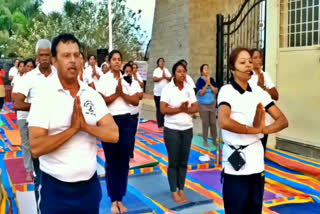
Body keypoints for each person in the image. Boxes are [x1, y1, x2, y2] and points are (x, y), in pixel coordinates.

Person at [28, 33, 119, 214]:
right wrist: (72, 130)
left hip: (89, 189)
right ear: (54, 61)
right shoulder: (44, 96)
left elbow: (113, 133)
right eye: (66, 55)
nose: (73, 61)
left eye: (76, 55)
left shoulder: (91, 94)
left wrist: (85, 127)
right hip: (55, 190)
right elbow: (36, 147)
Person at [218, 47, 288, 214]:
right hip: (235, 166)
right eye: (242, 62)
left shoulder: (259, 93)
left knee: (255, 210)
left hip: (256, 165)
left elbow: (282, 120)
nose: (248, 65)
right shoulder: (227, 91)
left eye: (250, 61)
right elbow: (224, 121)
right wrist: (252, 130)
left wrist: (263, 129)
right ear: (232, 69)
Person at [13, 39, 57, 210]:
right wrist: (39, 105)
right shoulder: (30, 77)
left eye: (48, 55)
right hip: (37, 132)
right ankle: (41, 210)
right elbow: (17, 103)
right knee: (40, 175)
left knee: (56, 173)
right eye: (42, 55)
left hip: (57, 131)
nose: (45, 58)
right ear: (37, 56)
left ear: (51, 55)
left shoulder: (59, 75)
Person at [97, 50, 140, 214]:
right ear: (108, 61)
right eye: (113, 59)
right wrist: (117, 94)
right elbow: (102, 101)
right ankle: (113, 200)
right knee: (111, 162)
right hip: (109, 122)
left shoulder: (127, 79)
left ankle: (120, 198)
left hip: (126, 121)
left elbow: (135, 100)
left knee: (123, 162)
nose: (116, 62)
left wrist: (122, 93)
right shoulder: (103, 79)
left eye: (119, 59)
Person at [160, 61, 198, 204]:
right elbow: (163, 109)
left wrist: (185, 109)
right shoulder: (167, 89)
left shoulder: (189, 88)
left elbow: (195, 107)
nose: (182, 74)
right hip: (172, 129)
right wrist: (180, 109)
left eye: (184, 71)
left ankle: (181, 188)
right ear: (174, 73)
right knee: (173, 161)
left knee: (183, 161)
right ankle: (173, 191)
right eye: (179, 71)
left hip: (187, 129)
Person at [249, 49, 279, 151]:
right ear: (251, 60)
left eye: (260, 57)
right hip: (251, 121)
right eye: (255, 57)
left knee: (262, 152)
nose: (259, 60)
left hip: (265, 121)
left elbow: (275, 95)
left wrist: (263, 88)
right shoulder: (248, 76)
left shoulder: (264, 75)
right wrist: (261, 88)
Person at [12, 59, 35, 181]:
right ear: (24, 68)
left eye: (32, 67)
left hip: (35, 117)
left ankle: (37, 169)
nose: (29, 69)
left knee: (36, 143)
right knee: (26, 144)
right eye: (28, 66)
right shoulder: (20, 80)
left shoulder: (38, 81)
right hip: (22, 116)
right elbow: (15, 99)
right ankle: (28, 170)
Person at [123, 63, 143, 159]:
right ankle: (124, 153)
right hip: (124, 114)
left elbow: (140, 95)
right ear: (123, 72)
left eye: (129, 71)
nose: (128, 73)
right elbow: (123, 96)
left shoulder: (135, 82)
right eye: (126, 71)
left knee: (132, 135)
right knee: (125, 135)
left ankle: (130, 153)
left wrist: (130, 97)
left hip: (134, 114)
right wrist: (133, 97)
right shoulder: (121, 82)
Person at [196, 64, 219, 148]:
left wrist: (210, 83)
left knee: (213, 122)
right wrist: (206, 84)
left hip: (211, 104)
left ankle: (214, 140)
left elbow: (216, 91)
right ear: (202, 71)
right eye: (205, 68)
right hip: (202, 105)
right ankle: (205, 141)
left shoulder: (212, 80)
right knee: (205, 123)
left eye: (208, 68)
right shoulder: (200, 81)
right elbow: (201, 93)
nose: (207, 70)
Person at [153, 57, 171, 129]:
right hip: (157, 93)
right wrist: (162, 77)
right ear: (158, 63)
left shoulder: (166, 70)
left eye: (163, 61)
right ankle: (160, 124)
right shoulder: (156, 70)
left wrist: (165, 77)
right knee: (159, 109)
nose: (162, 62)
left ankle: (165, 123)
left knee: (165, 108)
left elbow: (170, 78)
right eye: (160, 61)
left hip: (165, 94)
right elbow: (154, 79)